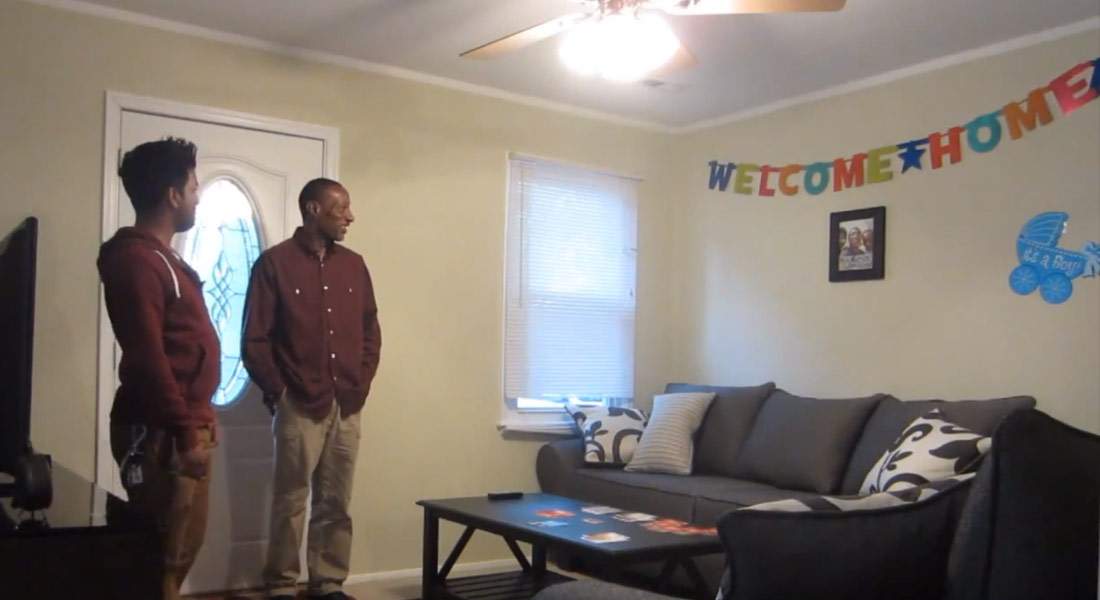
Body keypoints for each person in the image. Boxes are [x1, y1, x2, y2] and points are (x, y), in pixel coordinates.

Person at [242, 178, 381, 600]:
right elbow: (254, 340)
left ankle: (329, 583)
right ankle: (282, 585)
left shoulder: (354, 266)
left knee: (336, 501)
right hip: (299, 403)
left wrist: (362, 379)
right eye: (341, 209)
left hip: (347, 403)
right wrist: (279, 392)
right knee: (290, 500)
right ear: (313, 210)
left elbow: (370, 331)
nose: (350, 217)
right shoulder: (274, 264)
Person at [97, 137, 221, 600]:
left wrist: (201, 415)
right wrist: (186, 432)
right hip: (161, 435)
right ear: (172, 195)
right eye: (193, 186)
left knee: (180, 553)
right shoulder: (136, 261)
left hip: (181, 425)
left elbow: (180, 345)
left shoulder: (162, 258)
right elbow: (148, 356)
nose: (197, 196)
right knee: (161, 560)